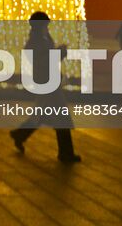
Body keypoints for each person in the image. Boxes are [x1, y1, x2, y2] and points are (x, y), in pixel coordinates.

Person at [9, 11, 81, 164]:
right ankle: (66, 153)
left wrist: (57, 54)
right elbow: (43, 61)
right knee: (61, 117)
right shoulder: (37, 41)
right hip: (47, 83)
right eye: (45, 24)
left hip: (48, 81)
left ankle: (20, 134)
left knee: (43, 113)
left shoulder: (42, 39)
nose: (47, 27)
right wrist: (59, 53)